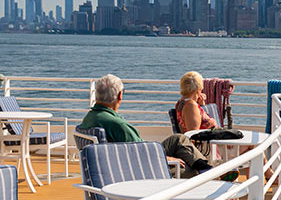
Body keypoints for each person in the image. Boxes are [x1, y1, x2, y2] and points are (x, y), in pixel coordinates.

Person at [78, 74, 218, 178]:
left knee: (178, 139)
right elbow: (141, 153)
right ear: (120, 95)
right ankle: (210, 191)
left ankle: (205, 167)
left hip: (120, 165)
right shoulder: (116, 124)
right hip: (141, 170)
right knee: (194, 171)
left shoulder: (90, 118)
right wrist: (165, 158)